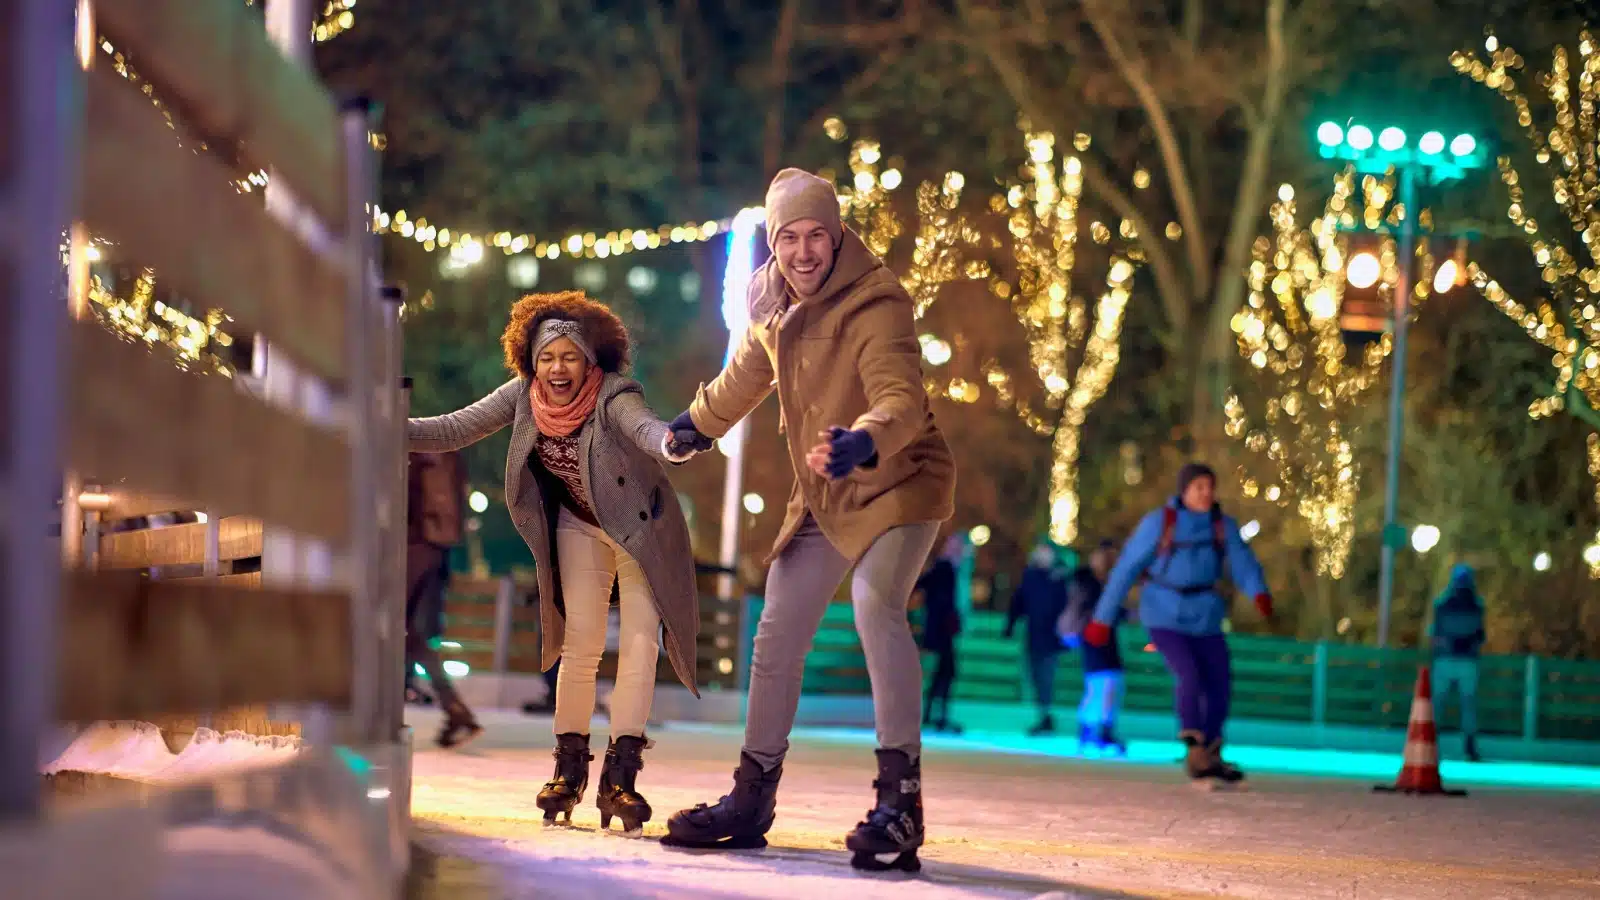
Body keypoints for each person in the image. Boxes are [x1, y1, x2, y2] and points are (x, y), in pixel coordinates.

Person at [662, 167, 956, 872]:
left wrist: (864, 439)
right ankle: (751, 798)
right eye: (788, 237)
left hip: (897, 476)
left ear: (837, 235)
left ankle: (900, 805)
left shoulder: (878, 301)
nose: (802, 252)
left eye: (816, 236)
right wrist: (698, 425)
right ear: (773, 242)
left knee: (875, 604)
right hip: (826, 487)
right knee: (776, 631)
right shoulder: (768, 295)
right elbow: (746, 375)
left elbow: (902, 396)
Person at [407, 290, 702, 835]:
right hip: (581, 526)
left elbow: (644, 426)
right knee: (581, 643)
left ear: (591, 360)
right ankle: (569, 772)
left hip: (642, 530)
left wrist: (670, 443)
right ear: (531, 361)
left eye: (570, 355)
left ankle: (621, 777)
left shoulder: (613, 395)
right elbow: (456, 427)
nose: (558, 367)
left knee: (641, 643)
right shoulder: (523, 397)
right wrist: (387, 426)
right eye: (547, 357)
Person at [1085, 462, 1272, 786]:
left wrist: (1258, 592)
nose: (1205, 493)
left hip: (1207, 615)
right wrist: (1102, 618)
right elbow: (1127, 567)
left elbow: (1242, 562)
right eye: (1198, 487)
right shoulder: (1160, 523)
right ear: (1183, 490)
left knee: (1220, 680)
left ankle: (1212, 749)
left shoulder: (1221, 525)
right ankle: (1194, 745)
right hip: (1163, 613)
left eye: (1209, 487)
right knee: (1188, 672)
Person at [405, 449, 481, 747]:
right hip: (436, 548)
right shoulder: (445, 455)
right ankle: (454, 709)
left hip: (414, 545)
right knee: (408, 632)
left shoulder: (415, 453)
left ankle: (455, 708)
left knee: (396, 627)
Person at [1004, 542, 1069, 736]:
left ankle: (1046, 715)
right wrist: (1010, 625)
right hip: (1033, 636)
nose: (1043, 556)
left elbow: (1066, 606)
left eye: (1046, 552)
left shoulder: (1059, 578)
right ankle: (1043, 715)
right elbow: (1018, 602)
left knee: (1045, 676)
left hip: (1051, 637)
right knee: (1034, 675)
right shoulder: (1031, 576)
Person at [1070, 539, 1125, 755]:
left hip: (1105, 638)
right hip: (1094, 637)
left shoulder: (1106, 582)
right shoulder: (1088, 582)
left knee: (1108, 682)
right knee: (1101, 684)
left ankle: (1099, 729)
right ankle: (1094, 730)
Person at [1430, 563, 1486, 762]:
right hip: (1464, 661)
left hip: (1447, 660)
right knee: (1465, 704)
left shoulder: (1442, 604)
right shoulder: (1476, 606)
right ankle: (1468, 746)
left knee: (1439, 703)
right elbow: (1480, 635)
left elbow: (1435, 633)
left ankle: (1431, 743)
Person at [916, 535, 965, 734]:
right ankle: (937, 715)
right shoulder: (944, 568)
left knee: (942, 673)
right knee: (946, 671)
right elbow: (923, 586)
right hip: (941, 631)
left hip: (943, 631)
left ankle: (933, 714)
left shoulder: (951, 569)